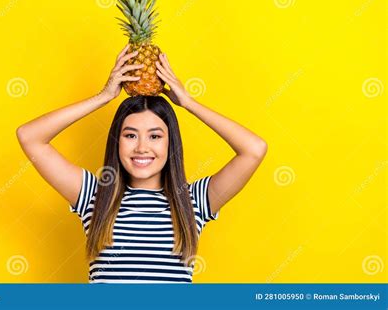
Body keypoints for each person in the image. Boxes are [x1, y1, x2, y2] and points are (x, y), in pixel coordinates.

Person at [16, 44, 268, 283]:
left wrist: (189, 103)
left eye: (155, 136)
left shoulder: (193, 201)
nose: (142, 147)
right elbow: (30, 137)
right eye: (130, 135)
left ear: (171, 145)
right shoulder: (94, 196)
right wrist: (103, 97)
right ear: (117, 140)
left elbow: (254, 150)